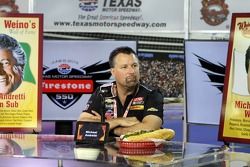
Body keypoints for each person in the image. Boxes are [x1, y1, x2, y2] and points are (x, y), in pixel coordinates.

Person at [78, 46, 163, 136]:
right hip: (107, 149)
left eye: (134, 65)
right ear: (113, 72)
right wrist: (120, 121)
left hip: (138, 149)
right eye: (124, 67)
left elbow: (151, 128)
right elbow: (82, 125)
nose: (131, 71)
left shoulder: (151, 94)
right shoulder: (102, 92)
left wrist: (109, 127)